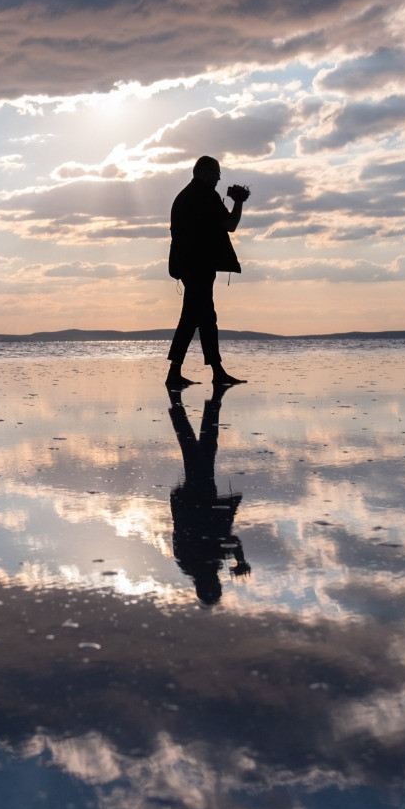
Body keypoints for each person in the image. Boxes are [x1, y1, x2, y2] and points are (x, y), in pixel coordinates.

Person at [166, 155, 248, 388]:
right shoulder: (204, 194)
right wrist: (239, 201)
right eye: (216, 173)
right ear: (202, 171)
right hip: (199, 266)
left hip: (188, 266)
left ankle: (216, 370)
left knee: (206, 318)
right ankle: (174, 373)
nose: (219, 178)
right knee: (192, 317)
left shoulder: (184, 196)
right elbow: (231, 225)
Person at [168, 383, 249, 605]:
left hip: (196, 499)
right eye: (218, 585)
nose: (217, 582)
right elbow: (229, 541)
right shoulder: (201, 564)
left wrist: (239, 560)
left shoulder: (194, 563)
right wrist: (239, 560)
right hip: (198, 499)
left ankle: (199, 404)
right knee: (200, 449)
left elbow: (226, 539)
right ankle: (197, 405)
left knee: (200, 449)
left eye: (215, 585)